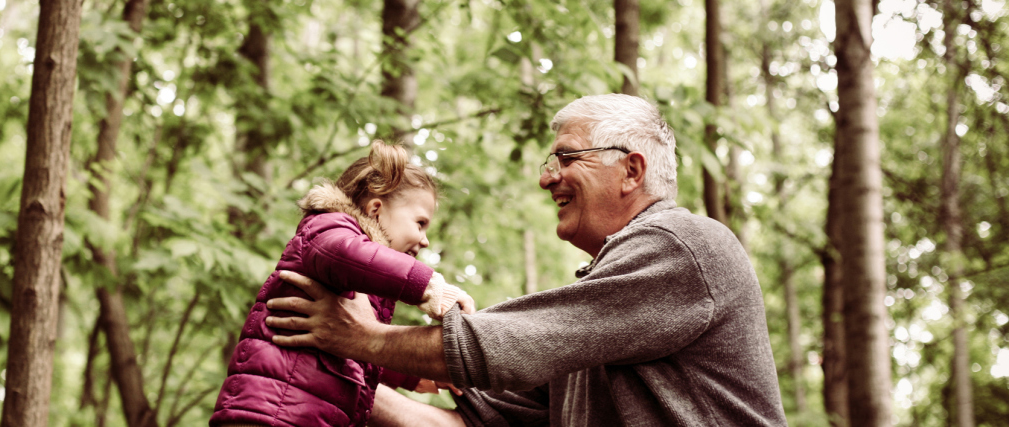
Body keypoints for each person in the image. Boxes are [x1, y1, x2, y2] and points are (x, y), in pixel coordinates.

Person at [264, 94, 788, 426]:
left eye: (566, 157)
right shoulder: (595, 328)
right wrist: (320, 363)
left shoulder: (682, 244)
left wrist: (360, 339)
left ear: (631, 171)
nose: (545, 177)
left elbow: (493, 347)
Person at [210, 140, 478, 427]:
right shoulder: (329, 228)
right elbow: (342, 253)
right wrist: (430, 288)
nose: (425, 241)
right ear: (375, 209)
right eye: (420, 223)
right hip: (271, 411)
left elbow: (356, 348)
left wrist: (415, 375)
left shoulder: (365, 280)